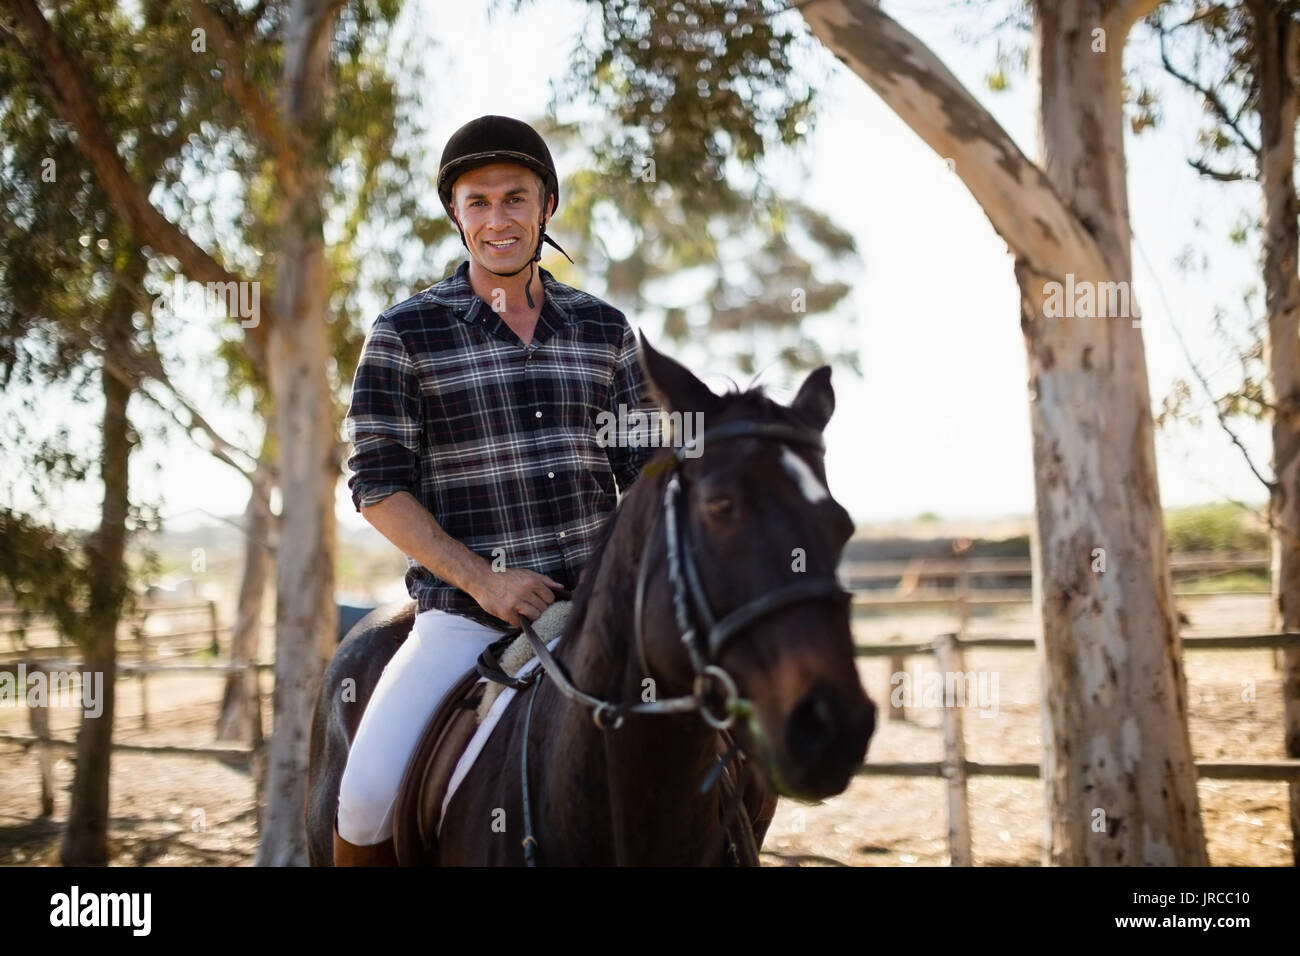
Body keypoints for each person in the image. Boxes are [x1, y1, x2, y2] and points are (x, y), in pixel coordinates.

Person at [334, 115, 657, 865]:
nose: (497, 219)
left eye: (515, 198)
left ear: (546, 207)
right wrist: (485, 582)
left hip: (596, 617)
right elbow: (378, 487)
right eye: (477, 202)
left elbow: (645, 476)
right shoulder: (404, 333)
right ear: (456, 214)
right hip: (464, 621)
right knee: (367, 793)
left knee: (725, 749)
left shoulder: (605, 329)